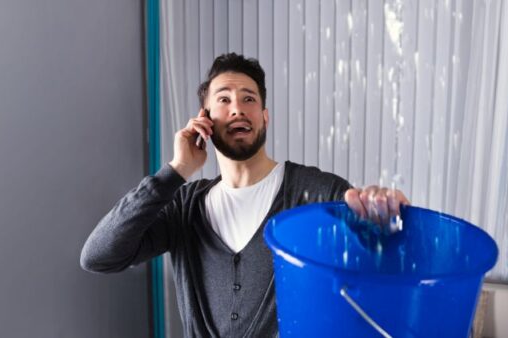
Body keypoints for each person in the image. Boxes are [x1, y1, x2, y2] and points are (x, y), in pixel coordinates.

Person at [79, 53, 409, 338]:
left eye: (249, 98)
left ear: (264, 117)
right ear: (203, 120)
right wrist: (175, 171)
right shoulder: (184, 206)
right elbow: (98, 256)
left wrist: (385, 211)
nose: (238, 108)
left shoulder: (315, 191)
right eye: (224, 99)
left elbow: (382, 256)